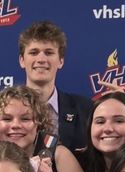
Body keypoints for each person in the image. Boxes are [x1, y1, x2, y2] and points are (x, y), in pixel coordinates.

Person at [18, 21, 92, 151]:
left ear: (61, 61)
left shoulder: (86, 109)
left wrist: (120, 105)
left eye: (49, 52)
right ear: (22, 60)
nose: (41, 59)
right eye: (34, 52)